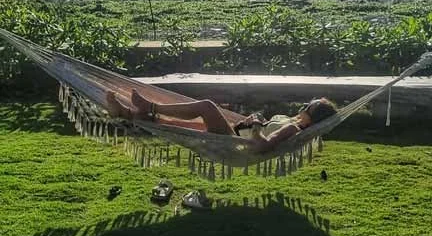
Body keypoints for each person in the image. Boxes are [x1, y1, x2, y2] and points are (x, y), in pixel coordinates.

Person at [106, 89, 337, 152]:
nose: (306, 105)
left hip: (236, 145)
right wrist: (255, 120)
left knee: (206, 106)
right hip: (236, 133)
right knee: (175, 125)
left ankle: (149, 106)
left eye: (310, 106)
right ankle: (126, 114)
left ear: (313, 118)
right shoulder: (290, 120)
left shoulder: (292, 128)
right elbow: (264, 128)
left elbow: (263, 145)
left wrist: (256, 127)